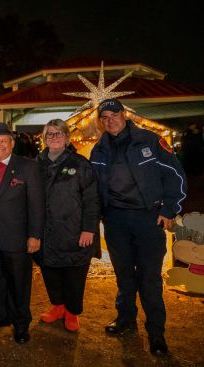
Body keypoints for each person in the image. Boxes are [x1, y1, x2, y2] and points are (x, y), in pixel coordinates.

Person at [90, 98, 187, 356]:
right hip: (115, 220)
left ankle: (156, 332)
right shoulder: (99, 149)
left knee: (149, 277)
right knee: (123, 274)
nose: (110, 121)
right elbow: (93, 187)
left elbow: (175, 175)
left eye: (114, 115)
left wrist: (169, 209)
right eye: (105, 117)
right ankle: (125, 320)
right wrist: (98, 214)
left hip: (148, 217)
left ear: (124, 114)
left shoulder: (150, 140)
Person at [0, 122, 45, 344]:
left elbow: (37, 204)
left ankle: (21, 324)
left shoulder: (28, 167)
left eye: (3, 141)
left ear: (12, 143)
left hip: (18, 238)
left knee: (19, 283)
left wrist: (35, 235)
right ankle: (0, 316)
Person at [35, 119, 100, 332]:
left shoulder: (80, 164)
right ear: (44, 139)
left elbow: (92, 199)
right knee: (50, 271)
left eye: (58, 134)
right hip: (45, 231)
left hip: (73, 229)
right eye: (49, 134)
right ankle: (58, 306)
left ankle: (72, 312)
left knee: (73, 274)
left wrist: (88, 228)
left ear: (67, 138)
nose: (54, 138)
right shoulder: (36, 164)